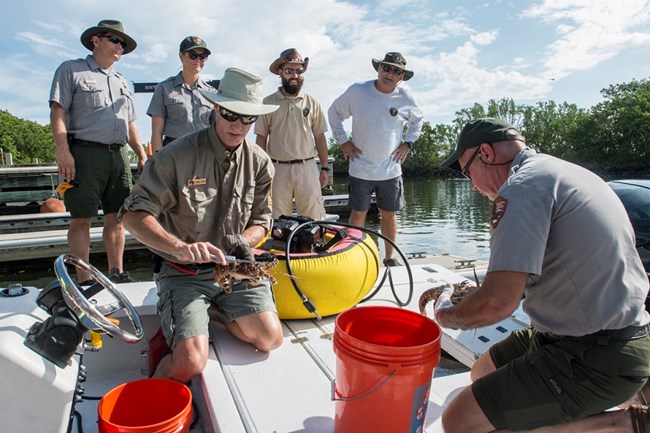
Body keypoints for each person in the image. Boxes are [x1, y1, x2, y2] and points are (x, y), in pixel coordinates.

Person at [436, 117, 650, 432]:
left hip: (597, 353)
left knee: (459, 421)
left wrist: (446, 315)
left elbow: (496, 305)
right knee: (481, 372)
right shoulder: (560, 171)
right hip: (593, 334)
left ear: (485, 153)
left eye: (467, 172)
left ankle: (624, 424)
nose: (472, 185)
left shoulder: (521, 188)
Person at [119, 68, 283, 383]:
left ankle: (214, 312)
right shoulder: (175, 156)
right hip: (184, 275)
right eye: (231, 115)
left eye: (247, 119)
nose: (238, 126)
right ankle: (154, 391)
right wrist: (180, 248)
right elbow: (132, 214)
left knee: (270, 339)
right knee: (190, 363)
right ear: (216, 108)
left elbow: (263, 220)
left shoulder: (261, 163)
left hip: (235, 268)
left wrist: (244, 241)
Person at [49, 19, 147, 284]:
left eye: (123, 43)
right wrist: (62, 151)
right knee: (82, 218)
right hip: (84, 153)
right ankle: (84, 279)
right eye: (115, 40)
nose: (120, 46)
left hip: (118, 157)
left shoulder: (122, 82)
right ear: (96, 40)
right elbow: (58, 112)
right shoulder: (71, 70)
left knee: (118, 217)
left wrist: (140, 154)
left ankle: (117, 272)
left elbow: (130, 123)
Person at [328, 52, 423, 266]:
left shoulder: (405, 96)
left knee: (389, 215)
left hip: (390, 169)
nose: (389, 73)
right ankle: (352, 258)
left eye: (396, 71)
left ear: (401, 77)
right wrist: (343, 141)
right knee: (358, 213)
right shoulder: (358, 91)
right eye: (386, 68)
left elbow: (418, 121)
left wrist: (408, 143)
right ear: (378, 69)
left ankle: (389, 258)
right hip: (360, 168)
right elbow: (334, 113)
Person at [255, 48, 329, 220]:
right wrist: (261, 171)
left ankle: (312, 248)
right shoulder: (267, 103)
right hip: (277, 169)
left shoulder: (312, 102)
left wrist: (324, 167)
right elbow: (261, 138)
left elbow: (320, 136)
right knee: (277, 219)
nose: (294, 75)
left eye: (299, 70)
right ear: (280, 72)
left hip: (308, 167)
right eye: (289, 70)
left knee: (314, 220)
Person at [147, 36, 217, 153]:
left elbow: (217, 131)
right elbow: (156, 132)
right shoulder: (164, 88)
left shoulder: (211, 93)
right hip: (174, 154)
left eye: (203, 56)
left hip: (204, 154)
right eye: (193, 55)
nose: (198, 60)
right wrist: (158, 164)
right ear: (181, 56)